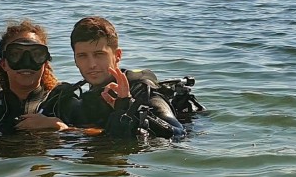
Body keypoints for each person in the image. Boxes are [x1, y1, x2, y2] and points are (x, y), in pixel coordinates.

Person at [42, 16, 188, 139]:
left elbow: (177, 133)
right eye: (82, 56)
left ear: (117, 56)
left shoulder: (140, 91)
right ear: (75, 60)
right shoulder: (79, 97)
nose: (91, 64)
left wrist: (127, 106)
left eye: (99, 54)